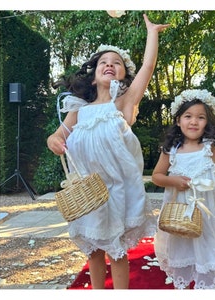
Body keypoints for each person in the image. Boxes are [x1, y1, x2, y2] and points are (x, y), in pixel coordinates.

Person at [47, 14, 170, 289]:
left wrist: (152, 34)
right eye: (104, 62)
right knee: (93, 249)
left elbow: (148, 67)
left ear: (124, 75)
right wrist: (53, 141)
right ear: (93, 77)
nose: (110, 65)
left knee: (116, 249)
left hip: (116, 190)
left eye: (116, 63)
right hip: (87, 193)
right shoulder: (78, 110)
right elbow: (58, 135)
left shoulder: (124, 103)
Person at [152, 82, 215, 289]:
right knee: (181, 243)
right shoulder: (171, 149)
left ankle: (206, 277)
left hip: (204, 212)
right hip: (178, 212)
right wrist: (174, 181)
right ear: (178, 120)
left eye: (201, 117)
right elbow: (156, 176)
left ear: (207, 122)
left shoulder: (212, 145)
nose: (194, 122)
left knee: (205, 241)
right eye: (188, 116)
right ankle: (185, 274)